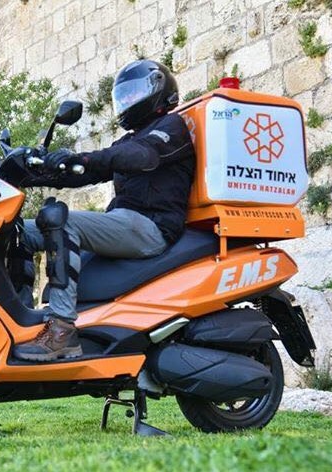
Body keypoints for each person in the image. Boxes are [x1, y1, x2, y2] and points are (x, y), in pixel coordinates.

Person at [12, 59, 196, 361]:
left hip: (152, 226)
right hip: (123, 222)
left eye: (133, 93)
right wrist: (36, 173)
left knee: (61, 221)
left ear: (158, 91)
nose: (128, 100)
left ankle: (61, 330)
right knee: (16, 230)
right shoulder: (130, 139)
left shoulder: (170, 128)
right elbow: (90, 171)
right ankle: (17, 319)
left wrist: (80, 158)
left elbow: (139, 156)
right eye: (124, 95)